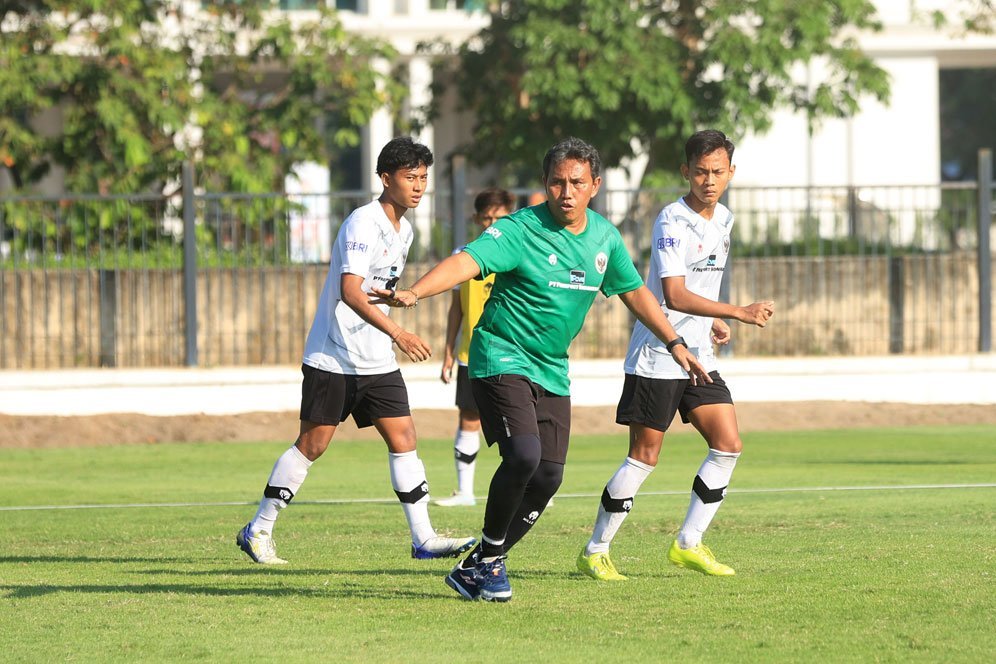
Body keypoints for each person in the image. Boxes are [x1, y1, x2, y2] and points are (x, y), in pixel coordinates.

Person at [372, 137, 711, 602]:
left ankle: (481, 563)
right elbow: (464, 262)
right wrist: (415, 292)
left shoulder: (604, 239)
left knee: (550, 476)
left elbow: (636, 294)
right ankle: (489, 562)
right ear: (545, 185)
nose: (565, 192)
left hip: (551, 367)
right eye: (556, 182)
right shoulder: (519, 229)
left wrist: (674, 341)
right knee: (524, 456)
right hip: (500, 354)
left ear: (595, 184)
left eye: (575, 182)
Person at [236, 137, 475, 564]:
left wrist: (394, 295)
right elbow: (349, 291)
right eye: (410, 178)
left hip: (376, 358)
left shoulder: (407, 228)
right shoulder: (363, 222)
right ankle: (259, 528)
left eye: (423, 178)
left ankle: (423, 538)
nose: (419, 186)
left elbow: (369, 286)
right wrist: (400, 333)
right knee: (312, 444)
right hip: (335, 354)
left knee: (404, 438)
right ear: (385, 179)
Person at [576, 129, 774, 582]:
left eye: (718, 172)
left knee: (728, 445)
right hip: (659, 353)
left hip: (700, 353)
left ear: (731, 173)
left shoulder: (723, 218)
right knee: (645, 456)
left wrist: (714, 321)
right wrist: (736, 311)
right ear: (686, 172)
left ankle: (689, 543)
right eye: (700, 172)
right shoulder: (671, 220)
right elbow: (675, 294)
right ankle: (595, 549)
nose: (709, 180)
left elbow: (699, 288)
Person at [436, 188, 516, 507]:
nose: (492, 223)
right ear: (476, 219)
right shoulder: (464, 254)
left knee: (520, 420)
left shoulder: (519, 251)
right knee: (469, 418)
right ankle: (465, 491)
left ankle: (530, 486)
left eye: (499, 217)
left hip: (513, 352)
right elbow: (456, 308)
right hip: (472, 352)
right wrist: (448, 352)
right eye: (487, 217)